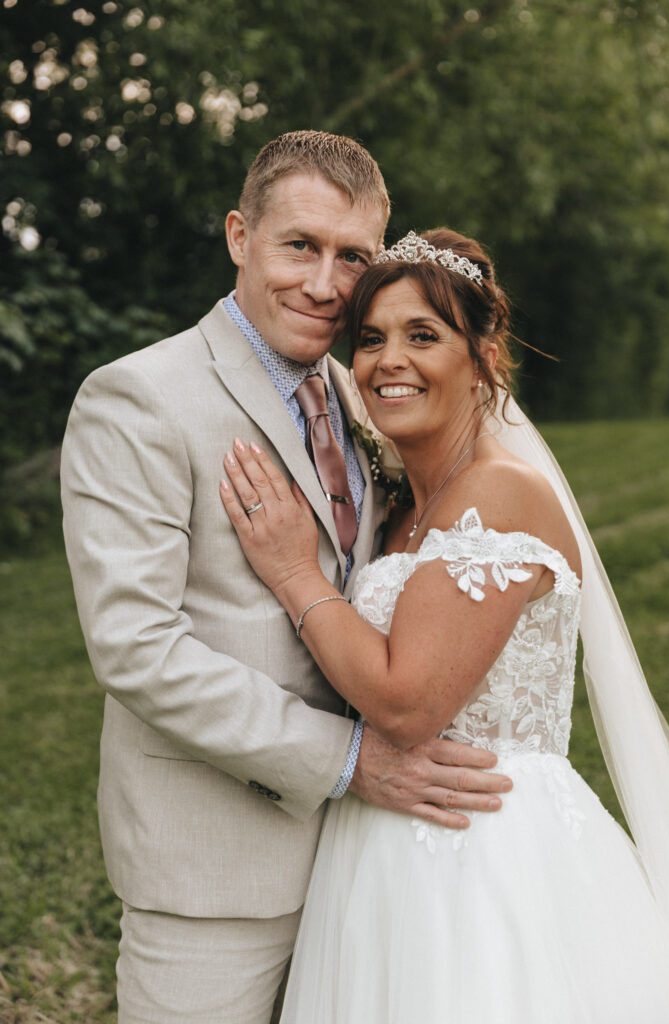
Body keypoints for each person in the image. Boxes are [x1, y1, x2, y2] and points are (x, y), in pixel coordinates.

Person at [60, 135, 512, 1024]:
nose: (324, 284)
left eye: (352, 258)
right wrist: (346, 760)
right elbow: (135, 648)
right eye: (298, 246)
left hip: (367, 866)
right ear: (239, 236)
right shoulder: (139, 398)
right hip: (214, 869)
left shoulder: (362, 392)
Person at [220, 228, 669, 1022]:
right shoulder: (399, 508)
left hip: (486, 858)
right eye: (369, 340)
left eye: (421, 335)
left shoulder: (502, 495)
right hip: (371, 849)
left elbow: (408, 703)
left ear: (481, 355)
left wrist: (296, 574)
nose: (386, 361)